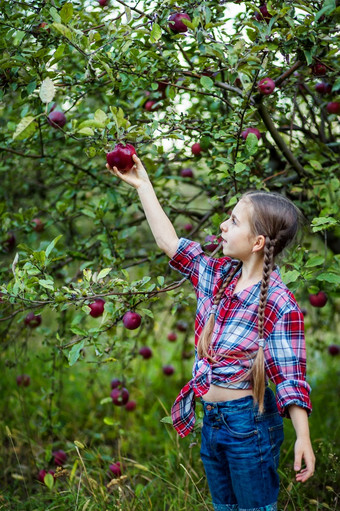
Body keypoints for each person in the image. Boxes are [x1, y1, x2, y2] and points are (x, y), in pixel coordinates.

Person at [107, 154, 315, 511]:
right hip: (212, 421)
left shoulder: (280, 303)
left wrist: (303, 438)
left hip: (249, 426)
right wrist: (143, 186)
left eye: (233, 221)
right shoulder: (217, 275)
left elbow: (291, 377)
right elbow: (169, 244)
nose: (222, 225)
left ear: (257, 242)